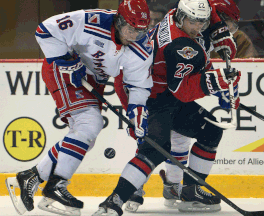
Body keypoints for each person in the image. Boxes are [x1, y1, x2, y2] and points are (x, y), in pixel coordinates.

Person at [93, 0, 241, 215]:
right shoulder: (180, 46)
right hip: (151, 96)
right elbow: (182, 91)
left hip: (156, 88)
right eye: (194, 22)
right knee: (154, 147)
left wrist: (219, 29)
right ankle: (113, 201)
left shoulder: (175, 14)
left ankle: (190, 191)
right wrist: (216, 83)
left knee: (211, 130)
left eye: (203, 22)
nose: (198, 27)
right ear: (183, 17)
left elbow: (205, 12)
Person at [5, 0, 153, 216]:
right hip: (63, 71)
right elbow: (44, 30)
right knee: (90, 123)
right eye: (130, 29)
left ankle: (32, 177)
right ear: (118, 20)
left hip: (93, 80)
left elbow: (138, 84)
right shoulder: (92, 21)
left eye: (140, 31)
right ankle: (56, 185)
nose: (134, 36)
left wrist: (137, 112)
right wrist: (64, 60)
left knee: (86, 137)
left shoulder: (142, 46)